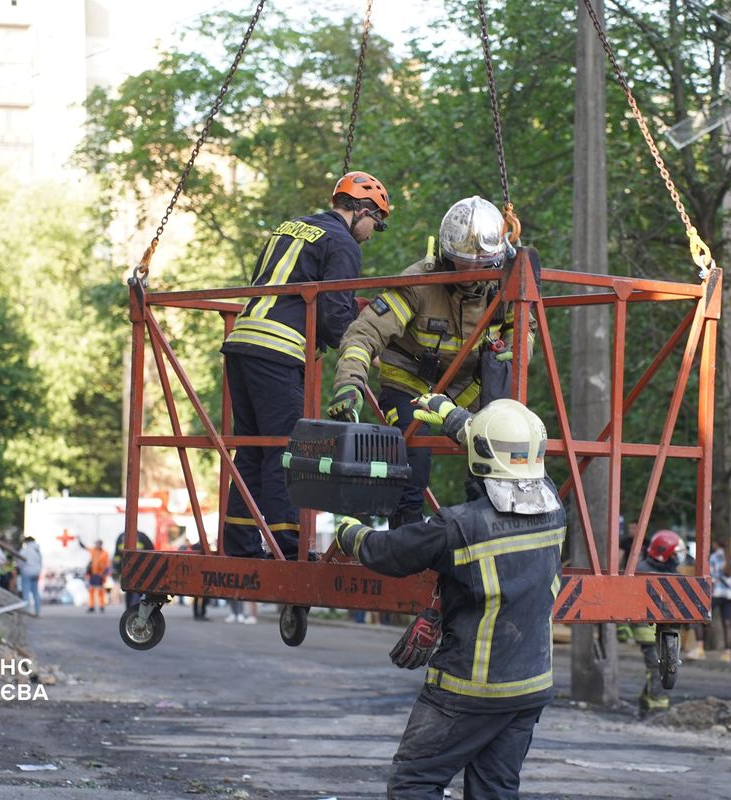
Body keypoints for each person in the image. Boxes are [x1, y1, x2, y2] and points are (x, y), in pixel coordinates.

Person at [333, 395, 564, 797]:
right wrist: (457, 419)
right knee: (495, 788)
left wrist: (349, 532)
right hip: (530, 687)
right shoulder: (553, 505)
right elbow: (511, 460)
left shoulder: (459, 526)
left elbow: (387, 553)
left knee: (415, 782)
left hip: (469, 689)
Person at [327, 196, 539, 528]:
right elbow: (364, 333)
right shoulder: (419, 283)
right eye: (460, 263)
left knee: (498, 452)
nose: (469, 274)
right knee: (414, 453)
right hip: (409, 386)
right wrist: (350, 383)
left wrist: (516, 351)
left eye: (478, 264)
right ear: (444, 254)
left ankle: (489, 528)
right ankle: (405, 537)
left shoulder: (504, 285)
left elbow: (525, 324)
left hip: (465, 392)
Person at [221, 171, 391, 557]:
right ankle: (289, 546)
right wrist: (364, 354)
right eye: (375, 223)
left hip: (241, 344)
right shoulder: (343, 243)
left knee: (251, 448)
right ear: (362, 210)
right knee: (287, 449)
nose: (371, 232)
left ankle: (239, 544)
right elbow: (335, 312)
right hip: (277, 352)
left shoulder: (289, 229)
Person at [626, 529, 683, 717]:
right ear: (664, 552)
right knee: (656, 667)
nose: (678, 557)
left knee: (663, 667)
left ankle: (646, 701)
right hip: (647, 632)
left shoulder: (668, 571)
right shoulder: (644, 571)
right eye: (675, 553)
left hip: (663, 631)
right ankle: (657, 707)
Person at [686, 535, 731, 662]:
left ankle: (699, 649)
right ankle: (727, 654)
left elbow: (711, 578)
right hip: (730, 595)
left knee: (699, 616)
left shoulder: (713, 558)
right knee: (727, 622)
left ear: (715, 544)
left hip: (716, 594)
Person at [113, 530, 155, 608]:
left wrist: (116, 569)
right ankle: (134, 609)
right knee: (138, 591)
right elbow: (152, 553)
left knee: (129, 590)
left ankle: (130, 609)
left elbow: (117, 556)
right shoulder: (143, 537)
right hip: (141, 571)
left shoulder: (121, 536)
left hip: (127, 570)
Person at [16, 536, 43, 617]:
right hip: (36, 572)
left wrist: (21, 569)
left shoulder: (25, 550)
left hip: (26, 572)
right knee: (35, 593)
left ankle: (26, 612)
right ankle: (37, 612)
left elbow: (20, 562)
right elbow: (40, 562)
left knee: (26, 593)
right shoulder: (37, 550)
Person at [83, 539, 111, 613]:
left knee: (100, 591)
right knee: (91, 590)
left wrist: (104, 574)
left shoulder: (105, 553)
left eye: (98, 544)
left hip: (100, 575)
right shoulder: (93, 551)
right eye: (96, 544)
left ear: (101, 544)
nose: (96, 545)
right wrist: (79, 540)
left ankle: (102, 606)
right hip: (93, 574)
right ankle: (91, 606)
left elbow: (107, 565)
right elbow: (84, 547)